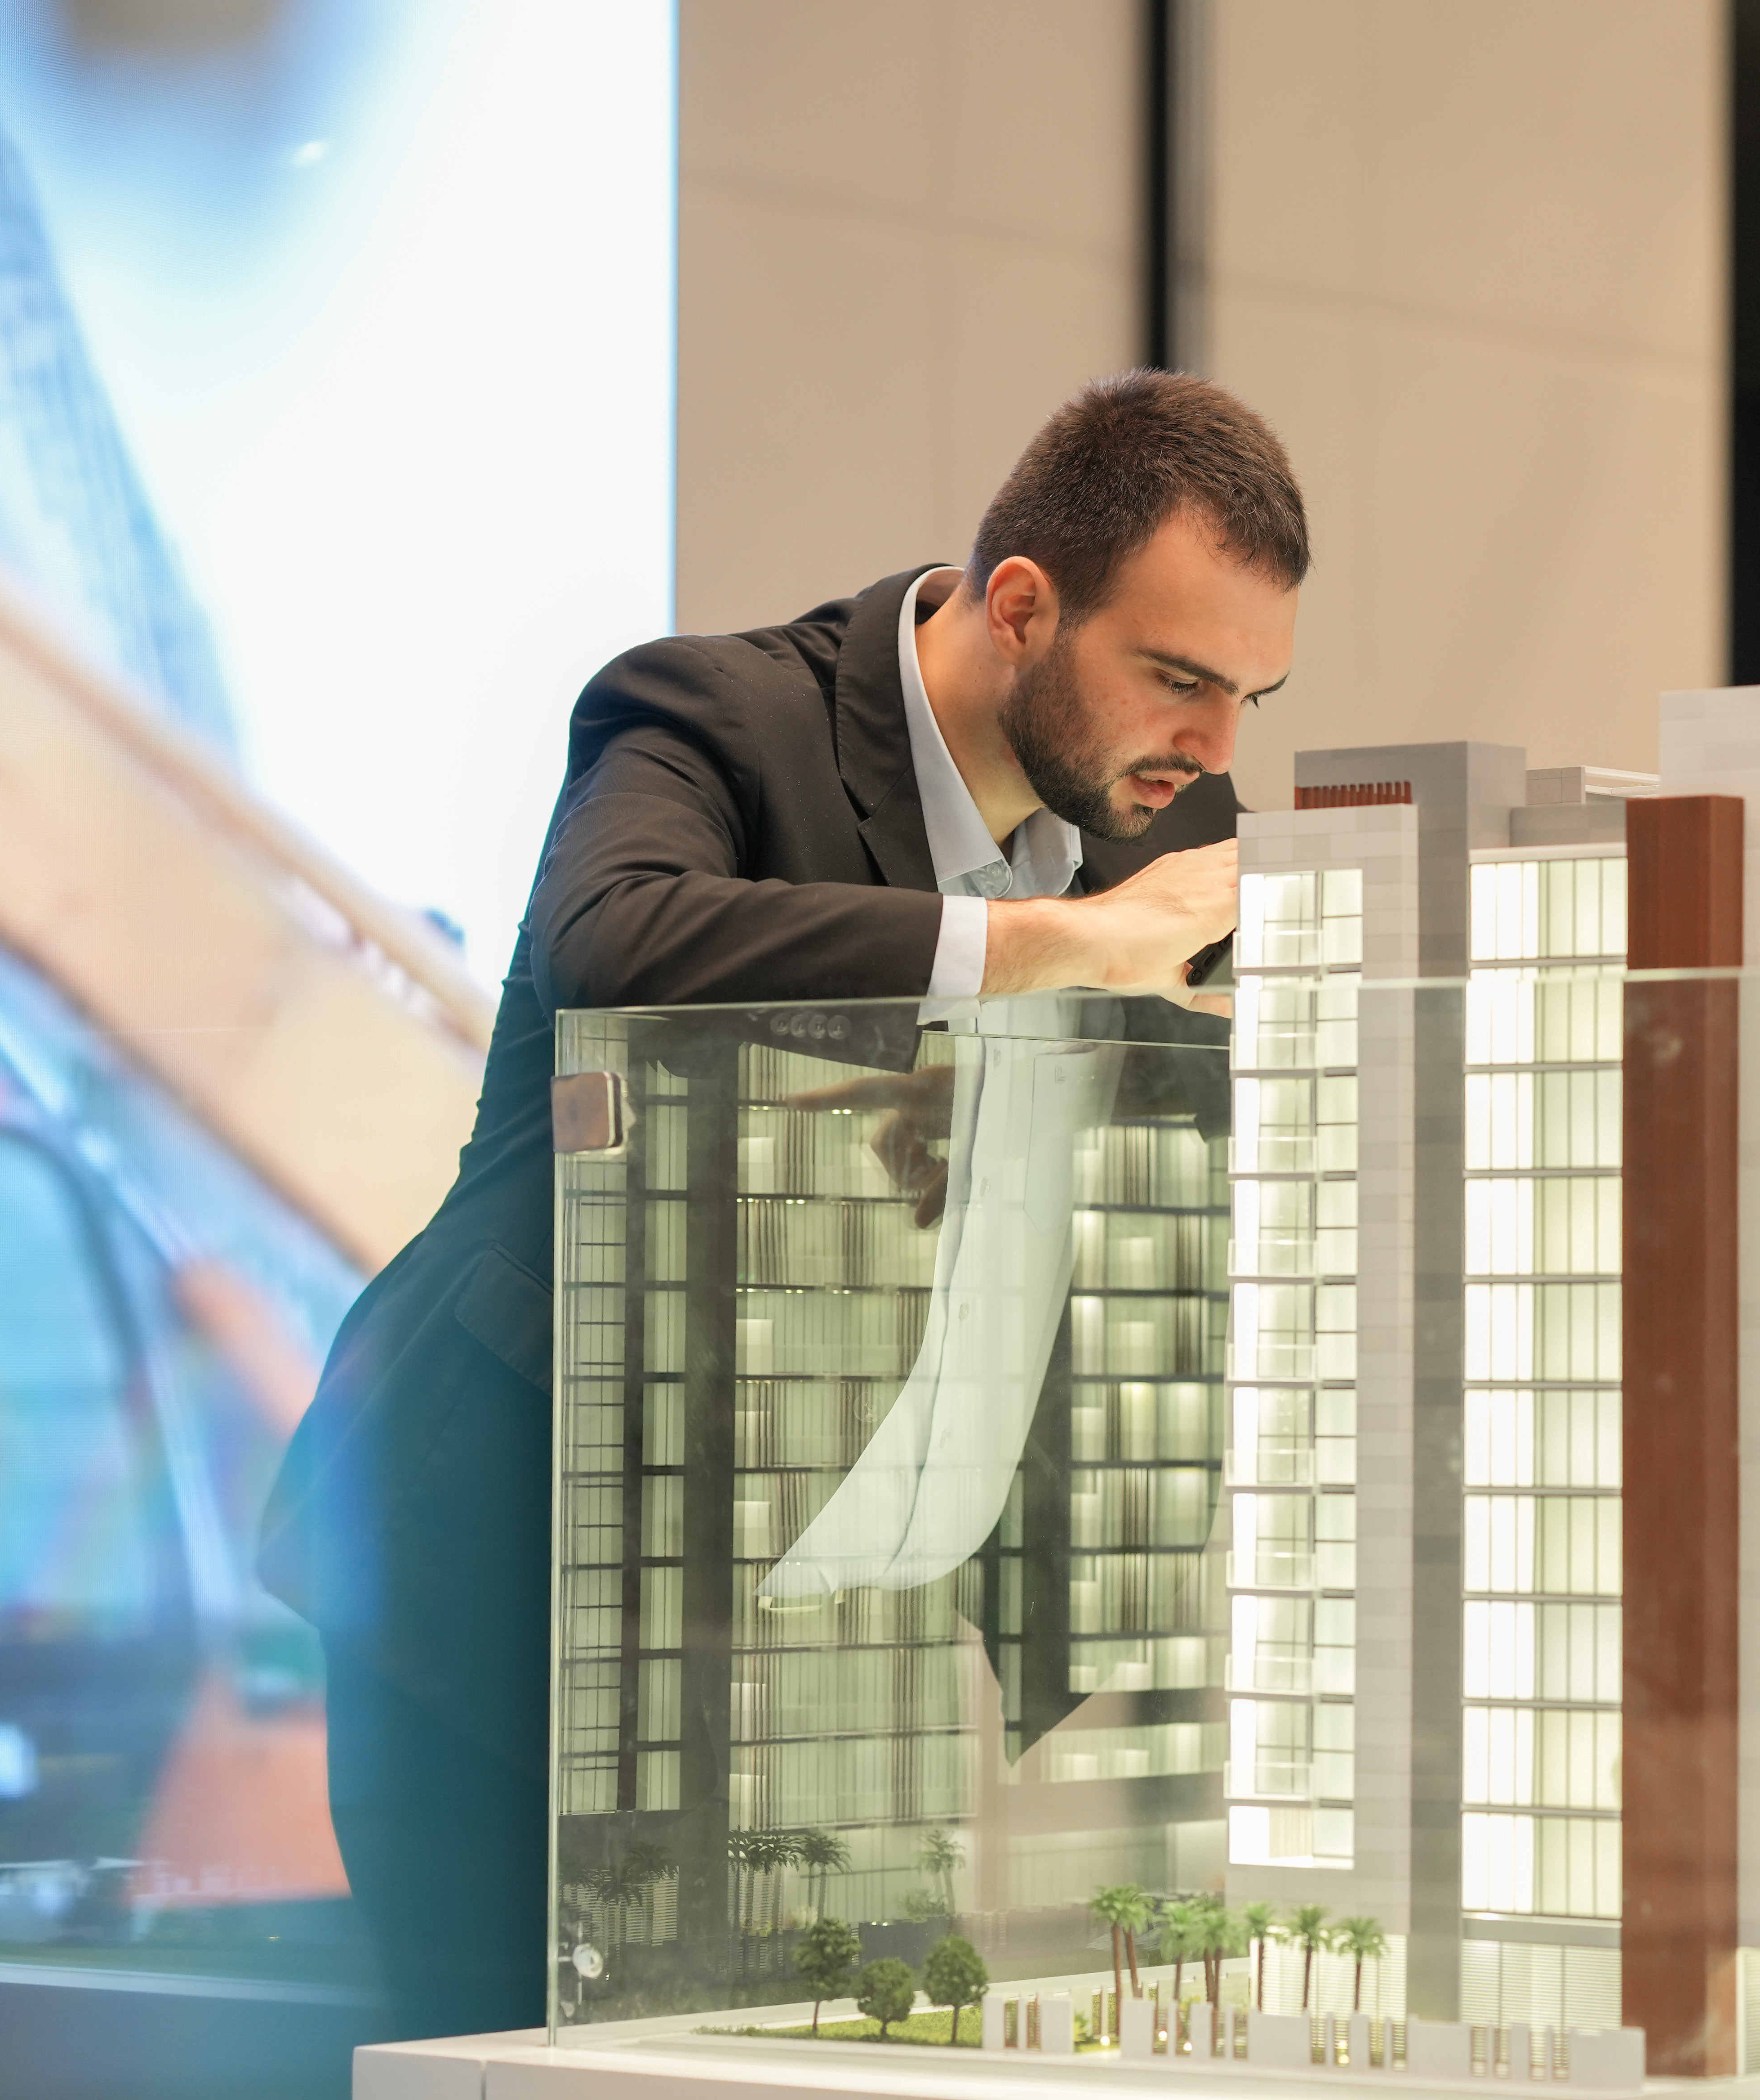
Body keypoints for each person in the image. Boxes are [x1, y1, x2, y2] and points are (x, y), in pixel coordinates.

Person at [256, 370, 1306, 2041]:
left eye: (1250, 694)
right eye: (1180, 679)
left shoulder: (1152, 826)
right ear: (1020, 608)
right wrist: (1047, 953)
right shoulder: (712, 715)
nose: (1217, 744)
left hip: (835, 1623)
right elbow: (619, 939)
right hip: (515, 1583)